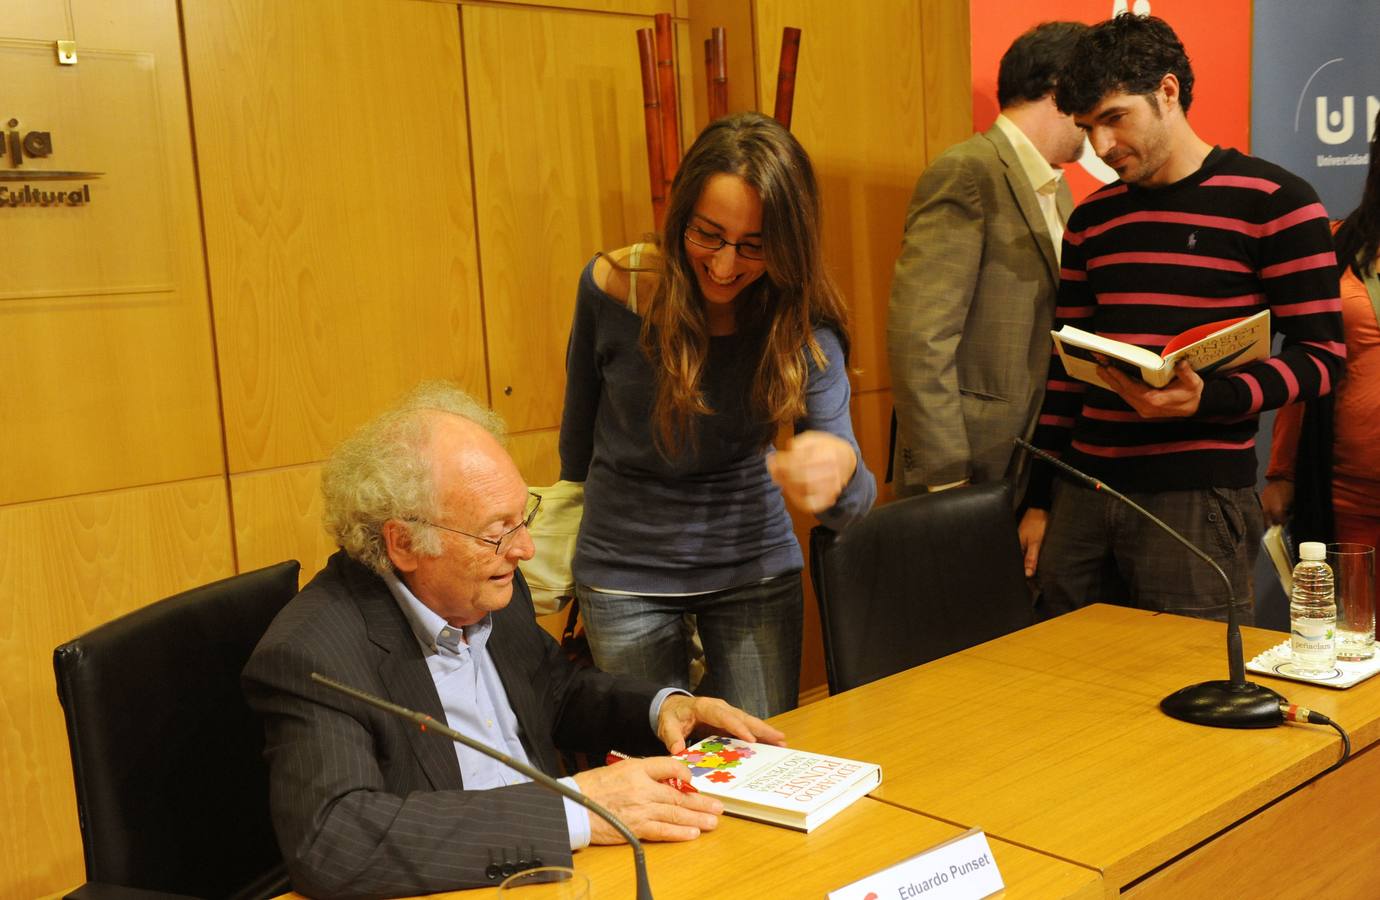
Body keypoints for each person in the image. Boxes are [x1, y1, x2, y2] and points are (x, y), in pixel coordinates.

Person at [243, 381, 784, 897]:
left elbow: (552, 687)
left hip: (573, 872)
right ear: (404, 543)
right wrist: (576, 807)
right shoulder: (314, 654)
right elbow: (333, 839)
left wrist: (661, 708)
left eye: (522, 517)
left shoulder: (486, 582)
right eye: (497, 530)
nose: (524, 548)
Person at [1018, 14, 1345, 623]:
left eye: (1116, 118)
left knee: (1192, 693)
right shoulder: (1091, 219)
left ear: (1167, 92)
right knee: (1063, 689)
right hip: (1082, 491)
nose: (1104, 147)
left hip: (1196, 496)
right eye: (1090, 129)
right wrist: (1040, 499)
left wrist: (1211, 399)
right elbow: (1064, 373)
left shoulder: (1277, 203)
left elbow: (1322, 360)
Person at [559, 112, 876, 718]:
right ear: (680, 217)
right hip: (625, 573)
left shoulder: (804, 322)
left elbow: (851, 506)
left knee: (761, 766)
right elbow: (575, 447)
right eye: (708, 235)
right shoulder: (615, 286)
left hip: (752, 569)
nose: (726, 266)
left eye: (755, 247)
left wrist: (838, 473)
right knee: (659, 778)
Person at [888, 21, 1087, 501]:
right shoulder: (967, 172)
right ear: (1060, 89)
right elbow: (920, 338)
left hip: (1034, 464)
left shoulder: (1060, 190)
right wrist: (948, 477)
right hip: (968, 469)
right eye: (1091, 88)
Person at [1263, 109, 1380, 634]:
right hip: (1348, 496)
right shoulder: (1335, 247)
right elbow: (1305, 364)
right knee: (1355, 647)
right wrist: (1282, 473)